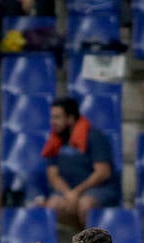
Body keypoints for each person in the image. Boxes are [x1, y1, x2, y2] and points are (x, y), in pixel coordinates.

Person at [40, 97, 120, 228]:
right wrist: (69, 194)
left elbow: (103, 172)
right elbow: (53, 175)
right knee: (53, 205)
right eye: (52, 117)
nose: (52, 122)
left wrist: (76, 192)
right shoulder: (54, 140)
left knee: (85, 205)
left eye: (57, 118)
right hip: (67, 190)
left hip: (97, 189)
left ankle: (92, 239)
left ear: (70, 119)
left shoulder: (95, 137)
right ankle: (75, 236)